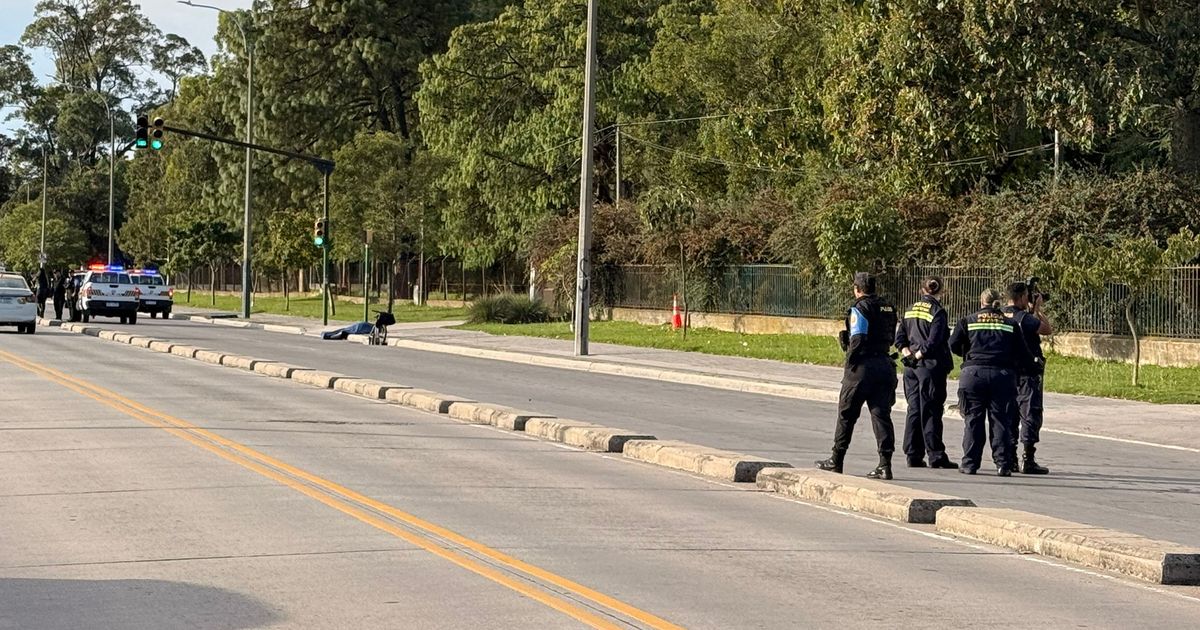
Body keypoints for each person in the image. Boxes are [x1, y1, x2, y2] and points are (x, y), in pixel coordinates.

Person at [816, 272, 899, 479]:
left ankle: (836, 459)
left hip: (863, 367)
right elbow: (891, 336)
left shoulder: (860, 307)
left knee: (846, 414)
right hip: (885, 365)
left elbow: (858, 337)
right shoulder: (888, 306)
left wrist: (850, 361)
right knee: (881, 415)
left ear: (857, 289)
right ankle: (885, 464)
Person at [949, 289, 1036, 476]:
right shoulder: (1010, 324)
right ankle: (1003, 464)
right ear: (999, 302)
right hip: (1002, 376)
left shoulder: (968, 321)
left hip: (973, 375)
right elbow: (1023, 353)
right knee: (1001, 421)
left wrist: (969, 354)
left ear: (981, 302)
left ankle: (970, 464)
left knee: (973, 420)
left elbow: (953, 344)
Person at [895, 276, 957, 470]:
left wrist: (908, 354)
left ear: (921, 289)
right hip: (930, 367)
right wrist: (920, 355)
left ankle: (913, 454)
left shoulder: (909, 309)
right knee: (931, 410)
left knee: (914, 408)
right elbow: (934, 341)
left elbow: (900, 338)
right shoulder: (937, 311)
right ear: (941, 291)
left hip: (911, 368)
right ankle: (936, 455)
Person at [1003, 282, 1053, 475]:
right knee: (1030, 413)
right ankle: (1028, 458)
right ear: (1023, 297)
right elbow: (1047, 329)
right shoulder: (1024, 318)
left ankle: (1011, 458)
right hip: (1027, 372)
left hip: (1007, 372)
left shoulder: (1001, 315)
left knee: (1010, 414)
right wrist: (1037, 309)